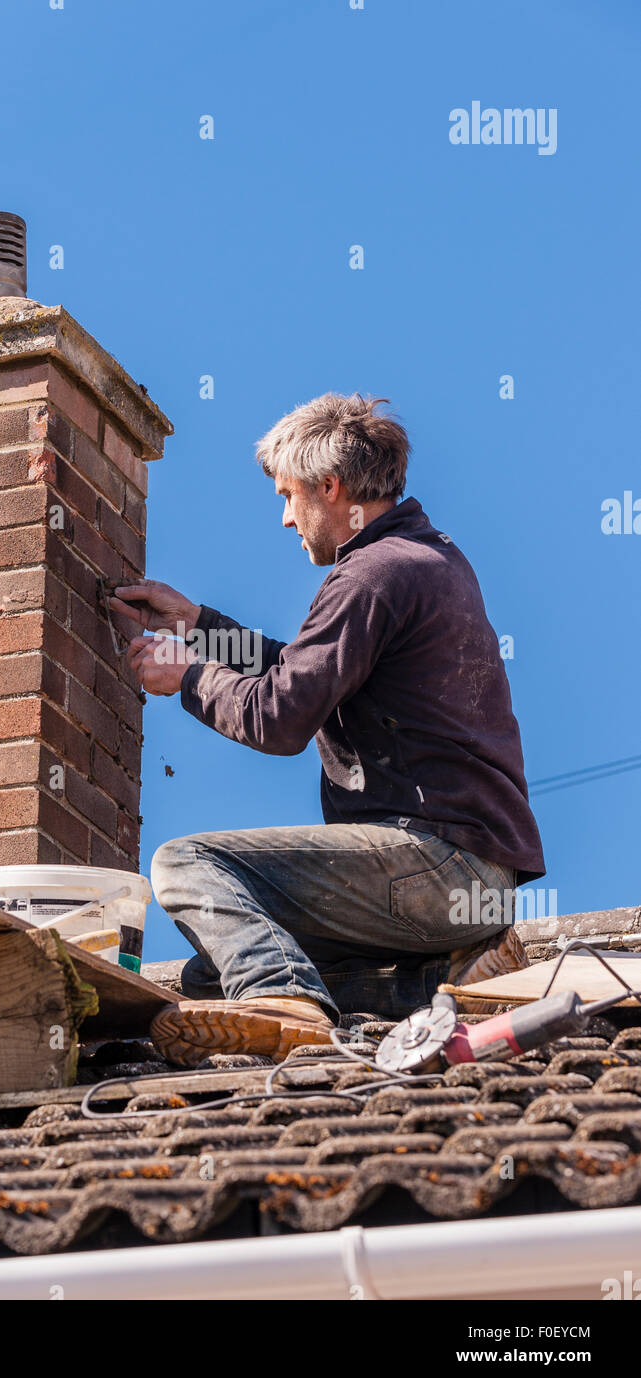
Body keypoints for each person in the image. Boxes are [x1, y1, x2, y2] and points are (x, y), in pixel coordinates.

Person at [110, 393, 544, 1067]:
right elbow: (308, 672)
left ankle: (287, 1005)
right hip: (471, 881)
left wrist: (187, 677)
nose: (285, 518)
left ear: (330, 488)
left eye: (288, 496)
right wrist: (199, 627)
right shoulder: (420, 560)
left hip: (432, 864)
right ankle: (451, 983)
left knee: (189, 863)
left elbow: (281, 715)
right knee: (209, 979)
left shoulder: (371, 575)